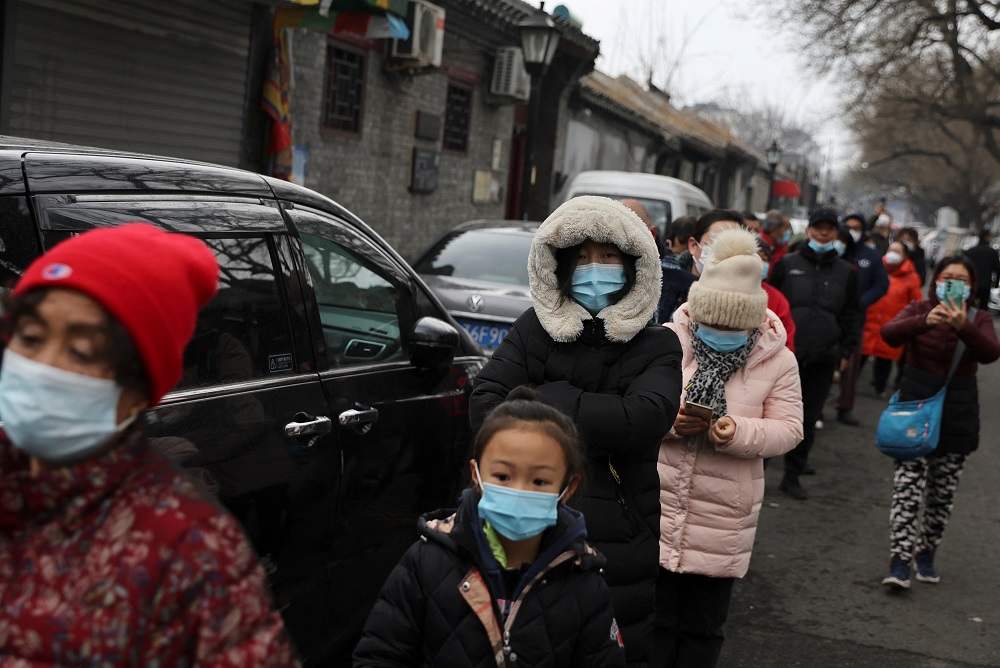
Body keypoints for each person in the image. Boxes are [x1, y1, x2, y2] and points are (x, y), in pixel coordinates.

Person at [0, 224, 299, 665]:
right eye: (30, 337)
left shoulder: (189, 550)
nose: (41, 367)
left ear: (138, 391)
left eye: (80, 351)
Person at [470, 195, 683, 666]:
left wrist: (540, 398)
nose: (594, 268)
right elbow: (485, 406)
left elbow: (642, 419)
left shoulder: (657, 344)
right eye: (582, 257)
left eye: (608, 256)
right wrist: (597, 416)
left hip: (619, 533)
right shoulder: (533, 329)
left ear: (635, 266)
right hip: (521, 513)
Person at [354, 387, 627, 667]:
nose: (519, 491)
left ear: (568, 488)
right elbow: (380, 655)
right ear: (476, 475)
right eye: (503, 476)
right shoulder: (426, 564)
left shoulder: (583, 583)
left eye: (539, 481)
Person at [655, 228, 802, 666]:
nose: (720, 332)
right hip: (658, 503)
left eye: (732, 326)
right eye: (712, 323)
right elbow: (638, 406)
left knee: (702, 629)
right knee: (652, 624)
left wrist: (736, 432)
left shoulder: (778, 359)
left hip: (724, 517)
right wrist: (672, 422)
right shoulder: (669, 340)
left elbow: (789, 429)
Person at [879, 255, 1000, 588]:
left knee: (941, 495)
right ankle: (899, 560)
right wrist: (925, 321)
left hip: (956, 419)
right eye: (947, 278)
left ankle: (926, 552)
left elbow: (991, 352)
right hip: (913, 416)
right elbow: (889, 334)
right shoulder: (919, 309)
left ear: (971, 286)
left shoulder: (979, 317)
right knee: (907, 492)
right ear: (937, 281)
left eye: (961, 280)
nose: (953, 285)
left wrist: (963, 326)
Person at [769, 208, 861, 500]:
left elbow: (852, 315)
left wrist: (845, 350)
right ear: (808, 230)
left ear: (835, 233)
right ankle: (758, 469)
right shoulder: (787, 264)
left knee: (807, 420)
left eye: (829, 229)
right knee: (770, 413)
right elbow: (769, 303)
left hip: (823, 356)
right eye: (818, 227)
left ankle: (792, 475)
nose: (823, 233)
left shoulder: (847, 272)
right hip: (784, 355)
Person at [834, 214, 889, 425]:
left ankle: (844, 407)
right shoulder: (835, 251)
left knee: (851, 365)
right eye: (848, 227)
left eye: (856, 227)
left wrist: (861, 301)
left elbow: (881, 284)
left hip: (855, 318)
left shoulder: (870, 256)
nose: (852, 231)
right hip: (830, 315)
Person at [861, 241, 924, 396]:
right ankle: (848, 384)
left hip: (892, 324)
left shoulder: (912, 277)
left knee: (885, 358)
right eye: (891, 250)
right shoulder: (876, 268)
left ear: (905, 256)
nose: (892, 254)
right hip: (869, 320)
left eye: (897, 251)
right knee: (861, 353)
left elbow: (916, 303)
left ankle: (879, 387)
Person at [658, 210, 743, 323]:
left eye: (735, 246)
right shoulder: (659, 281)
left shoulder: (745, 295)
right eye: (717, 243)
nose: (726, 252)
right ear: (693, 245)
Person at [757, 240, 795, 352]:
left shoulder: (777, 298)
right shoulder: (727, 293)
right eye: (755, 258)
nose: (759, 263)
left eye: (764, 259)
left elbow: (787, 337)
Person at [962, 229, 1000, 308]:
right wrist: (995, 283)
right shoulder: (992, 252)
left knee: (969, 306)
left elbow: (964, 267)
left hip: (972, 284)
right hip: (985, 285)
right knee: (983, 307)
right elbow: (997, 269)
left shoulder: (970, 251)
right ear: (986, 237)